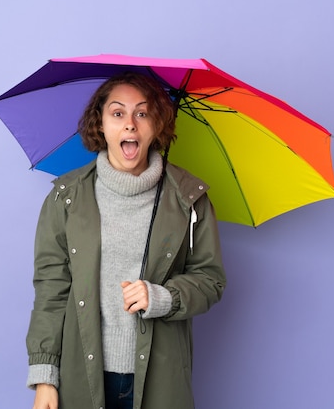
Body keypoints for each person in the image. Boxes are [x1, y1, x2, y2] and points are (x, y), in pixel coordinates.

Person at [26, 72, 227, 409]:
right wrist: (45, 376)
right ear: (100, 125)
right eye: (118, 113)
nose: (130, 124)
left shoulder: (189, 199)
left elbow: (211, 279)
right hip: (81, 375)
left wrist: (163, 296)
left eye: (143, 113)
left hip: (161, 376)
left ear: (157, 125)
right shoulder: (67, 197)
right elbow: (51, 289)